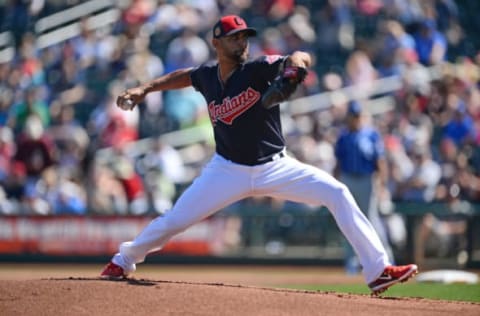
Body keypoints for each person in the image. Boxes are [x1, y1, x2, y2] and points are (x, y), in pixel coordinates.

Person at [100, 15, 418, 295]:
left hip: (275, 167)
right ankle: (123, 260)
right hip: (226, 170)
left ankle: (377, 271)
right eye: (234, 37)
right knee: (175, 220)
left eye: (245, 36)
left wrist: (295, 70)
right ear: (216, 43)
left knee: (337, 192)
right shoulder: (208, 77)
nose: (242, 42)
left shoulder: (257, 69)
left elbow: (299, 56)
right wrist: (144, 88)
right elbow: (184, 75)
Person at [334, 100, 395, 274]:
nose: (356, 119)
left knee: (371, 220)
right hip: (348, 179)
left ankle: (387, 259)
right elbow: (338, 163)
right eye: (354, 116)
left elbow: (380, 162)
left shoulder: (371, 135)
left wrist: (382, 185)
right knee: (348, 219)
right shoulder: (343, 136)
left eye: (358, 115)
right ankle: (352, 262)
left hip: (367, 179)